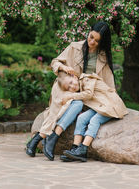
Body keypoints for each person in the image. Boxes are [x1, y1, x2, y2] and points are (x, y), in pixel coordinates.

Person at [25, 21, 115, 161]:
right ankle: (48, 139)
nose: (92, 42)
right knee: (69, 105)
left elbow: (109, 84)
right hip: (67, 86)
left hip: (85, 93)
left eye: (97, 41)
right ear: (89, 32)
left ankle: (42, 139)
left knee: (78, 103)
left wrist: (111, 100)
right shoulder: (75, 47)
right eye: (91, 37)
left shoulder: (102, 57)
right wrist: (64, 68)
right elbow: (55, 62)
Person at [59, 72, 128, 162]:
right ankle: (75, 149)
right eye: (69, 88)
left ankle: (83, 150)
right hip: (100, 106)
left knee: (95, 120)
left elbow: (88, 94)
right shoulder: (80, 87)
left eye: (71, 83)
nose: (72, 87)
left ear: (75, 77)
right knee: (82, 118)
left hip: (110, 105)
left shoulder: (87, 79)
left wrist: (70, 96)